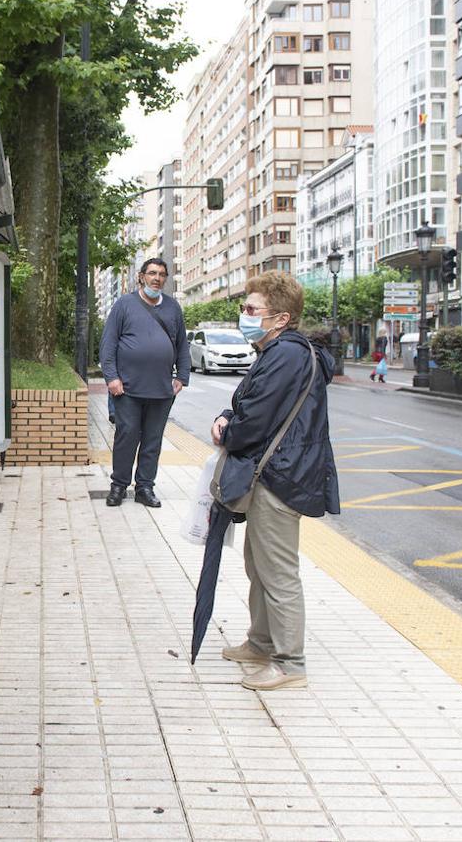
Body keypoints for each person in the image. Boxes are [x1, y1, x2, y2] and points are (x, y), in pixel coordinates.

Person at [210, 271, 339, 692]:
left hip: (280, 476)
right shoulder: (279, 351)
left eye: (251, 310)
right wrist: (231, 416)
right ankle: (261, 643)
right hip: (277, 470)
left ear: (280, 318)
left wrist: (228, 430)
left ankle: (289, 663)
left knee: (278, 571)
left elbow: (257, 416)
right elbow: (250, 405)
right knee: (258, 564)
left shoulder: (286, 354)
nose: (244, 316)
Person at [99, 258, 191, 508]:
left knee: (153, 439)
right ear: (141, 276)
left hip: (161, 389)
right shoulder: (124, 304)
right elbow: (108, 344)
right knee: (126, 436)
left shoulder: (173, 308)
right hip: (127, 388)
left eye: (162, 274)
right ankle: (118, 485)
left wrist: (182, 376)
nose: (157, 278)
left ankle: (145, 487)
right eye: (152, 273)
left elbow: (182, 343)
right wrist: (112, 378)